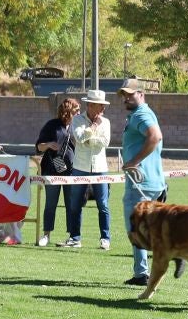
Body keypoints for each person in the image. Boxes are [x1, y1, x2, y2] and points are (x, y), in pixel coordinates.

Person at [118, 82, 167, 285]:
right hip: (153, 182)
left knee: (136, 230)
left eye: (130, 94)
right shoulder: (141, 113)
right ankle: (156, 266)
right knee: (152, 231)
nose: (126, 98)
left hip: (141, 183)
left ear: (141, 94)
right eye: (123, 95)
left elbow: (155, 136)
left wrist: (133, 161)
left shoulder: (140, 114)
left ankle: (142, 274)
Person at [68, 91, 115, 250]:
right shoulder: (77, 120)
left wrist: (89, 139)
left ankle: (105, 238)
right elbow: (79, 139)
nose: (103, 108)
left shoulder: (106, 122)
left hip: (100, 168)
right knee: (75, 204)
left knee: (103, 204)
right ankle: (75, 238)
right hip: (80, 168)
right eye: (100, 105)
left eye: (103, 105)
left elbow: (105, 142)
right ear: (90, 105)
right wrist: (94, 128)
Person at [34, 96, 80, 247]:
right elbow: (39, 146)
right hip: (51, 170)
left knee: (71, 204)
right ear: (68, 111)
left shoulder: (79, 126)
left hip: (71, 172)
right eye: (77, 110)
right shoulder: (52, 125)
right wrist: (48, 144)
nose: (80, 112)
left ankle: (72, 237)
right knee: (50, 204)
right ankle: (46, 235)